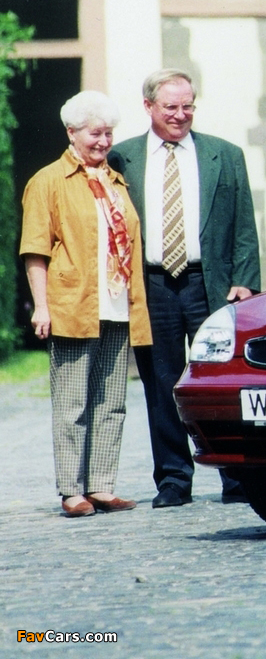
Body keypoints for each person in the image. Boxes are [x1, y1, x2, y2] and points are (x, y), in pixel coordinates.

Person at [108, 69, 261, 507]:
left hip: (211, 284)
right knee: (161, 382)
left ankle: (236, 476)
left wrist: (246, 281)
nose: (180, 115)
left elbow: (244, 223)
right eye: (171, 107)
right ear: (148, 107)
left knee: (223, 378)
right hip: (152, 285)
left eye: (188, 106)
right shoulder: (122, 158)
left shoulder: (224, 155)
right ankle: (174, 478)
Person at [20, 91, 152, 518]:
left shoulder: (115, 181)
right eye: (95, 133)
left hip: (117, 304)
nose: (103, 141)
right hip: (72, 304)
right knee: (72, 402)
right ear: (71, 133)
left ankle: (101, 485)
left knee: (111, 401)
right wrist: (42, 306)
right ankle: (72, 490)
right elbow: (35, 250)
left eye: (109, 133)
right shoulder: (48, 181)